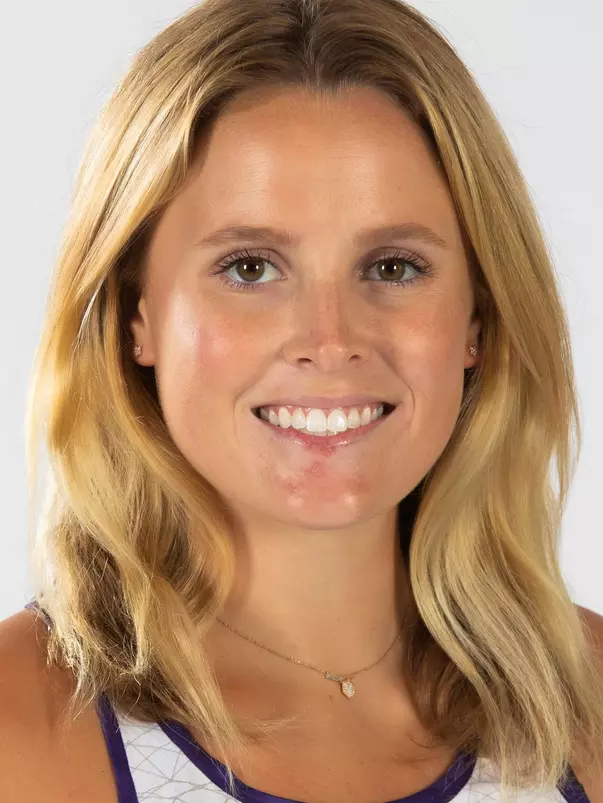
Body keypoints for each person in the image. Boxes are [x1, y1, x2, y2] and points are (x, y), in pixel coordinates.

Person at [1, 0, 602, 801]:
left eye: (392, 267)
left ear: (477, 321)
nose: (329, 338)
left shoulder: (584, 699)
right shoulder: (22, 727)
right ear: (135, 315)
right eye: (250, 267)